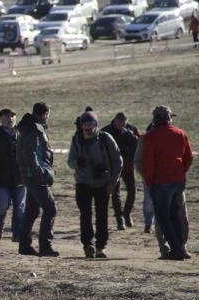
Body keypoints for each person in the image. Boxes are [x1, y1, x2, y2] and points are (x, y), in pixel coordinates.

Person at [67, 111, 123, 258]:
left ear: (95, 124)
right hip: (83, 183)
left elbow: (118, 161)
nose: (87, 127)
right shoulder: (77, 139)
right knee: (85, 215)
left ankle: (100, 247)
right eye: (84, 124)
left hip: (103, 183)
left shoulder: (105, 138)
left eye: (90, 124)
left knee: (102, 216)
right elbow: (70, 161)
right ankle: (87, 245)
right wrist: (77, 163)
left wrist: (113, 182)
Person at [142, 105, 193, 260]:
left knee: (163, 218)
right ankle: (180, 247)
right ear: (169, 118)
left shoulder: (151, 137)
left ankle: (176, 250)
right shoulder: (181, 134)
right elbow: (189, 158)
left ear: (155, 119)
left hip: (160, 182)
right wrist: (180, 172)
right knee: (177, 215)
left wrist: (149, 182)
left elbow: (148, 163)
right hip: (178, 181)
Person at [17, 102, 58, 257]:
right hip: (35, 176)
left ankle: (24, 245)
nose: (48, 117)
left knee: (32, 210)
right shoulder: (34, 129)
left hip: (29, 175)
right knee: (50, 207)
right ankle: (45, 246)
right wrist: (40, 173)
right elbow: (31, 154)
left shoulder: (27, 127)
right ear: (44, 114)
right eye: (47, 115)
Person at [0, 108, 25, 240]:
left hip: (20, 178)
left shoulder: (21, 134)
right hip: (2, 179)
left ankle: (17, 234)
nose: (10, 119)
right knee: (2, 206)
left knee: (19, 208)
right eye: (7, 116)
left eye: (13, 116)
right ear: (1, 119)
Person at [102, 112, 139, 230]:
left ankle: (127, 213)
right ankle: (119, 219)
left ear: (126, 121)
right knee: (115, 193)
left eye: (123, 122)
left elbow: (138, 144)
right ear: (115, 120)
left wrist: (130, 135)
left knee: (132, 191)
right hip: (113, 167)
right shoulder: (106, 131)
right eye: (119, 122)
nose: (121, 124)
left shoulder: (132, 129)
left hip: (128, 166)